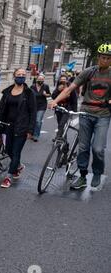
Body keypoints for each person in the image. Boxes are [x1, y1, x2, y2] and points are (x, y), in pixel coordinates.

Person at [49, 43, 111, 189]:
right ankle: (82, 176)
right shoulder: (89, 72)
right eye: (104, 57)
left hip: (103, 115)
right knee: (83, 147)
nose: (106, 61)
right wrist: (55, 101)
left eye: (109, 58)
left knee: (98, 149)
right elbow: (70, 89)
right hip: (85, 113)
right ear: (98, 57)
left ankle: (97, 172)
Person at [0, 68, 37, 188]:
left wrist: (30, 130)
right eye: (19, 74)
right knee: (8, 149)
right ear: (14, 76)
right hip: (7, 125)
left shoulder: (29, 93)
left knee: (16, 151)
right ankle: (18, 166)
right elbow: (0, 109)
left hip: (22, 126)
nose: (21, 76)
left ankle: (8, 177)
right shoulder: (7, 91)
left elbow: (33, 112)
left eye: (23, 75)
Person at [30, 74, 51, 141]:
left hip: (42, 106)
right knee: (32, 120)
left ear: (44, 80)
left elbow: (49, 94)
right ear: (37, 79)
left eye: (42, 80)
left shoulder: (46, 86)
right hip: (33, 105)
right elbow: (29, 95)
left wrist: (45, 94)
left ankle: (36, 135)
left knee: (38, 121)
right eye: (39, 79)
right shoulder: (32, 86)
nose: (40, 81)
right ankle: (31, 132)